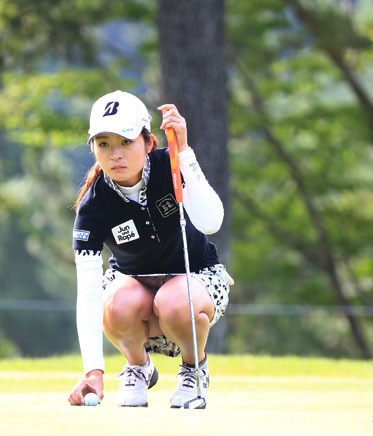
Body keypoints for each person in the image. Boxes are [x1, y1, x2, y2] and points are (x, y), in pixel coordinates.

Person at [67, 90, 233, 408]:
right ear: (93, 148)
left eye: (126, 142)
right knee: (115, 304)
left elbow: (212, 222)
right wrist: (93, 370)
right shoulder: (93, 206)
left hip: (196, 279)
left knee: (174, 301)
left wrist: (183, 152)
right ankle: (138, 367)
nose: (115, 154)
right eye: (104, 144)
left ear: (147, 141)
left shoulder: (169, 167)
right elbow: (87, 293)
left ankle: (193, 369)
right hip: (135, 285)